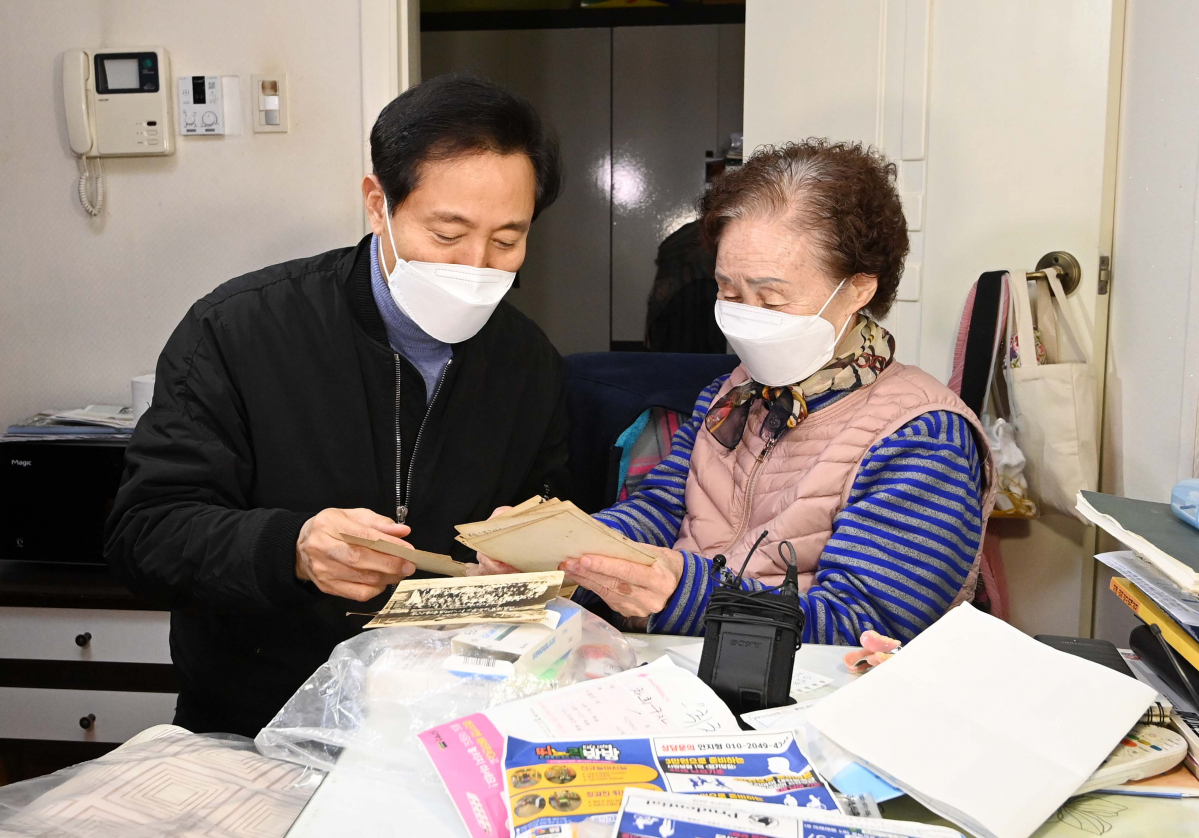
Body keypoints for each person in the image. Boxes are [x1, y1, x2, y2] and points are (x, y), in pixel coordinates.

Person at [105, 74, 569, 737]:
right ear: (377, 205)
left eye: (506, 240)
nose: (477, 265)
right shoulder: (239, 330)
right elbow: (144, 536)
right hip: (256, 720)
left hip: (446, 720)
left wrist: (525, 555)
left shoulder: (529, 363)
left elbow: (545, 511)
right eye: (447, 233)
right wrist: (290, 548)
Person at [473, 140, 996, 648]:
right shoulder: (731, 393)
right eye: (729, 293)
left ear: (859, 288)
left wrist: (684, 593)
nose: (746, 319)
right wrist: (563, 549)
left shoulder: (924, 436)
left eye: (771, 299)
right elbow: (664, 507)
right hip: (681, 671)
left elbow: (859, 623)